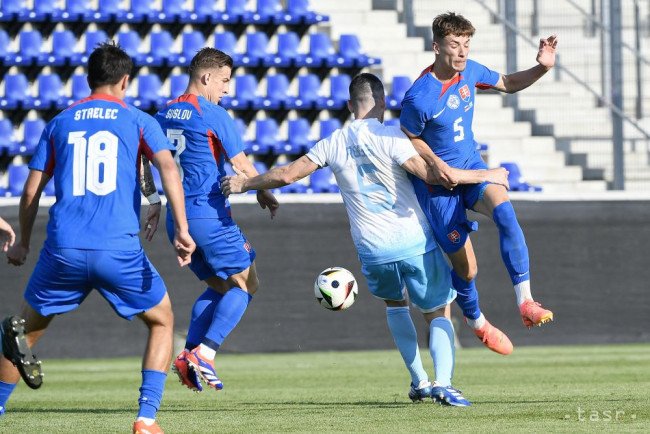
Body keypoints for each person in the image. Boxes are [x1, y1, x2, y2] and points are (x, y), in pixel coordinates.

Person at [222, 73, 510, 406]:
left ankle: (419, 381)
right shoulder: (394, 136)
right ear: (384, 104)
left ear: (349, 105)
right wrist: (482, 175)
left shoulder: (333, 141)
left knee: (395, 306)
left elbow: (287, 174)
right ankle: (443, 383)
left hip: (372, 249)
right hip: (414, 239)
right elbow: (432, 175)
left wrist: (246, 184)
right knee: (437, 311)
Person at [0, 42, 195, 434]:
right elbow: (168, 168)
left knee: (23, 330)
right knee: (162, 321)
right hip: (118, 250)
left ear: (88, 79)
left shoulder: (59, 122)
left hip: (63, 250)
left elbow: (29, 193)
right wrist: (183, 229)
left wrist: (22, 241)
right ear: (125, 80)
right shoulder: (138, 120)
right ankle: (146, 417)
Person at [399, 12, 554, 355]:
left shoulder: (469, 71)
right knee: (468, 271)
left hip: (470, 167)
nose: (462, 52)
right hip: (437, 189)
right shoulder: (419, 96)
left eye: (467, 44)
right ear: (436, 46)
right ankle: (474, 320)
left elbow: (508, 83)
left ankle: (526, 301)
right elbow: (408, 136)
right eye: (455, 45)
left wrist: (542, 68)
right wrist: (434, 162)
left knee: (506, 214)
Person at [155, 47, 279, 392]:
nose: (227, 89)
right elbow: (241, 164)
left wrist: (152, 201)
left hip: (175, 218)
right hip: (208, 216)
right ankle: (205, 354)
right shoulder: (211, 114)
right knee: (246, 283)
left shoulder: (161, 114)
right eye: (224, 81)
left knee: (219, 286)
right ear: (206, 77)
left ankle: (187, 355)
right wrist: (263, 191)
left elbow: (142, 162)